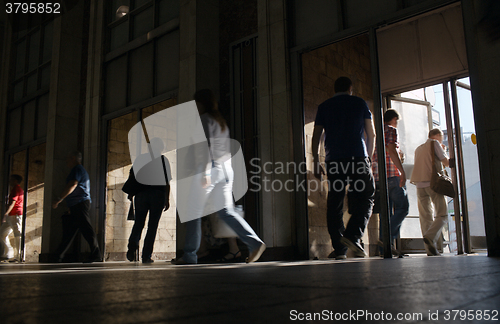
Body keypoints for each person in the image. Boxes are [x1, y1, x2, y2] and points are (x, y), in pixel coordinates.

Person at [172, 89, 266, 265]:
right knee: (226, 212)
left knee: (193, 212)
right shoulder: (221, 122)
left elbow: (205, 147)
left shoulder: (204, 120)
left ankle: (190, 255)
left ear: (201, 103)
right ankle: (254, 242)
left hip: (210, 169)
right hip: (225, 170)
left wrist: (206, 172)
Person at [311, 76, 376, 258]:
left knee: (335, 202)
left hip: (334, 160)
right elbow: (372, 134)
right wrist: (368, 159)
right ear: (350, 88)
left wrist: (316, 161)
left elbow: (316, 138)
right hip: (357, 158)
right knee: (367, 196)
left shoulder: (324, 106)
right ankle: (353, 236)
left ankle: (340, 249)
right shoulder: (359, 103)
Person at [126, 137, 171, 264]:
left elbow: (132, 176)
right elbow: (167, 182)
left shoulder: (141, 159)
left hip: (141, 194)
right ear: (161, 148)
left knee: (139, 223)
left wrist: (131, 193)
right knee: (152, 226)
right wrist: (167, 199)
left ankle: (133, 244)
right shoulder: (163, 160)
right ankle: (146, 256)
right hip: (158, 195)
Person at [410, 128, 453, 256]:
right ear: (438, 136)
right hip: (433, 184)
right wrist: (444, 151)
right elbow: (445, 162)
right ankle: (430, 236)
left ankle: (430, 250)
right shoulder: (435, 144)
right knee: (442, 214)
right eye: (442, 137)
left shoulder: (418, 148)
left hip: (419, 185)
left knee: (425, 217)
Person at [372, 109, 409, 255]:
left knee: (385, 213)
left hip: (378, 177)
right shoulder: (391, 130)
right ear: (394, 119)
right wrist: (402, 171)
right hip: (392, 175)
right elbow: (391, 149)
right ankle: (388, 238)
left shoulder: (376, 132)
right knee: (403, 207)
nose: (396, 124)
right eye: (396, 121)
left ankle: (384, 249)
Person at [53, 151, 102, 263]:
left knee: (86, 229)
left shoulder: (77, 169)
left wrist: (59, 199)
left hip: (80, 203)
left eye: (67, 159)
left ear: (73, 158)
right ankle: (58, 255)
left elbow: (73, 184)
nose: (66, 161)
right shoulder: (78, 170)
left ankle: (96, 254)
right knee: (70, 230)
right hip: (76, 204)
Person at [0, 175, 24, 262]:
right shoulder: (16, 189)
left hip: (15, 214)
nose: (10, 181)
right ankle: (7, 253)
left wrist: (5, 214)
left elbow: (12, 203)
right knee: (2, 233)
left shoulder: (16, 189)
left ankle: (19, 256)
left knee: (17, 235)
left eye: (11, 179)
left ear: (16, 181)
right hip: (12, 215)